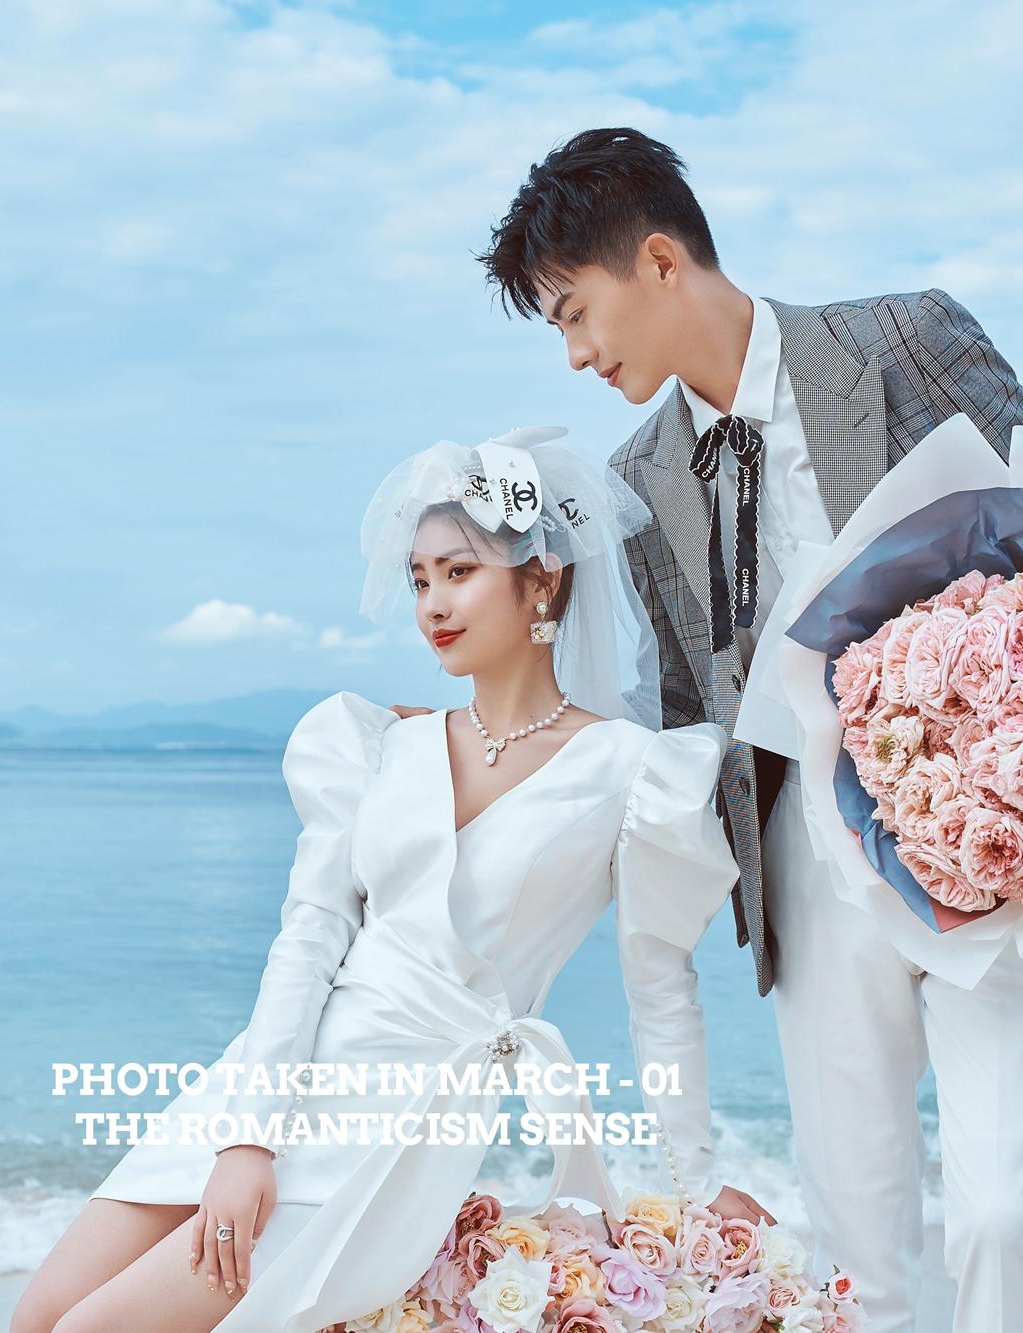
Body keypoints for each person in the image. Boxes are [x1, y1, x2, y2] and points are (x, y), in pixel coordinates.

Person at [10, 427, 769, 1333]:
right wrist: (247, 1135)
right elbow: (308, 939)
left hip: (397, 1125)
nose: (432, 604)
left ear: (542, 579)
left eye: (459, 572)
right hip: (270, 1079)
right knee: (38, 1317)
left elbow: (660, 991)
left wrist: (696, 1182)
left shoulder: (633, 772)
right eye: (418, 579)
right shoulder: (378, 745)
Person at [472, 126, 1023, 1333]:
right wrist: (483, 734)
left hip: (973, 844)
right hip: (799, 865)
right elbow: (673, 715)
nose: (575, 355)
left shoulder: (901, 342)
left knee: (1001, 1213)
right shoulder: (638, 478)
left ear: (660, 262)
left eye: (574, 314)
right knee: (859, 1257)